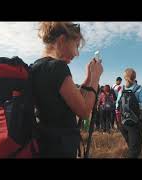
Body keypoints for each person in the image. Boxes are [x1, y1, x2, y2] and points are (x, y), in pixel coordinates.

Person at [31, 22, 103, 158]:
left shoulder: (36, 67)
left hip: (44, 144)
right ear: (62, 40)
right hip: (60, 148)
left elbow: (75, 99)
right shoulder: (57, 67)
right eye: (76, 46)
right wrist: (96, 78)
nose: (76, 53)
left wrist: (88, 77)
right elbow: (84, 111)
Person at [115, 68, 142, 158]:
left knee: (132, 146)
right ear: (135, 77)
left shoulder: (122, 89)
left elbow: (117, 104)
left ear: (125, 78)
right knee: (134, 151)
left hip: (123, 122)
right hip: (135, 123)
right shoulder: (139, 89)